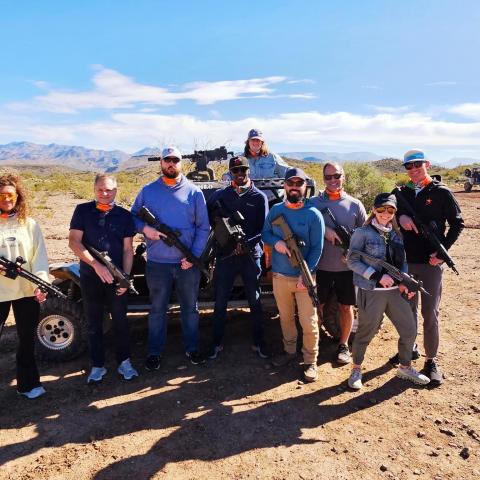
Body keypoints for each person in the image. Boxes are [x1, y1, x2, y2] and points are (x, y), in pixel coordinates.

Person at [131, 146, 210, 370]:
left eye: (175, 160)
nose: (171, 164)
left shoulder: (194, 192)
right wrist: (146, 230)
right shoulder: (148, 191)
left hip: (187, 265)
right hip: (157, 265)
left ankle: (192, 349)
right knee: (157, 310)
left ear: (181, 163)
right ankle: (154, 352)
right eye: (167, 160)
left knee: (190, 309)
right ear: (161, 163)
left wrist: (193, 256)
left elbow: (204, 227)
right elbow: (133, 218)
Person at [392, 149, 464, 385]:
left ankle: (431, 360)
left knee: (430, 314)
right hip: (406, 262)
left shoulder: (442, 192)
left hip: (431, 264)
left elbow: (457, 224)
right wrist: (400, 218)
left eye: (417, 164)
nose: (413, 169)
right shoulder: (400, 193)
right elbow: (385, 211)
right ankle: (409, 350)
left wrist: (442, 254)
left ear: (427, 164)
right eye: (408, 166)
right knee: (407, 312)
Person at [346, 193, 430, 390]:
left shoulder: (396, 234)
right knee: (366, 333)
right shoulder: (363, 232)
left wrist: (405, 283)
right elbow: (352, 260)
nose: (385, 213)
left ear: (394, 212)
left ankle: (405, 367)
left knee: (409, 330)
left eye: (390, 210)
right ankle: (356, 370)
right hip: (372, 291)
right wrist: (376, 276)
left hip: (395, 292)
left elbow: (403, 263)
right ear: (374, 210)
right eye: (381, 209)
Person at [69, 174, 138, 384]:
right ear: (94, 189)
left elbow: (128, 249)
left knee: (121, 322)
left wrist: (125, 278)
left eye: (109, 190)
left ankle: (124, 362)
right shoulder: (82, 211)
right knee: (93, 323)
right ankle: (98, 365)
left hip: (116, 279)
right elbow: (74, 242)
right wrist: (96, 265)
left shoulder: (124, 216)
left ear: (116, 191)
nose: (104, 193)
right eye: (100, 189)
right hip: (91, 277)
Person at [262, 168, 324, 382]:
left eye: (299, 183)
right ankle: (289, 353)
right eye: (291, 183)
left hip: (304, 278)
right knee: (286, 319)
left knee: (309, 321)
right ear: (285, 186)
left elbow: (317, 248)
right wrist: (276, 242)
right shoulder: (276, 210)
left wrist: (306, 275)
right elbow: (265, 232)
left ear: (305, 187)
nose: (294, 187)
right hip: (280, 276)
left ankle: (310, 361)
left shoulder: (313, 214)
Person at [206, 155, 269, 359]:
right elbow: (211, 222)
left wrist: (247, 244)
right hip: (226, 257)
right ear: (231, 173)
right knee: (220, 300)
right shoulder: (220, 196)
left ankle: (259, 343)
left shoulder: (259, 197)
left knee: (255, 300)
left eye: (243, 170)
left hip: (251, 256)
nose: (240, 174)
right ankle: (215, 344)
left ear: (248, 171)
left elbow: (264, 229)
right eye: (236, 171)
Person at [310, 163, 367, 363]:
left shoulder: (355, 205)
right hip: (320, 267)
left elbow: (366, 237)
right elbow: (304, 224)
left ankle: (343, 345)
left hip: (346, 268)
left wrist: (353, 255)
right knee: (317, 307)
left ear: (343, 177)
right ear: (323, 179)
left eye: (337, 176)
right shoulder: (313, 203)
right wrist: (326, 231)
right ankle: (313, 346)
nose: (333, 180)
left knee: (345, 307)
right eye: (328, 177)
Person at [0, 173, 49, 399]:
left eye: (11, 194)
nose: (6, 199)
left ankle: (27, 384)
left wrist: (41, 282)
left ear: (18, 196)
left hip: (26, 290)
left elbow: (39, 257)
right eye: (1, 195)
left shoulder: (29, 224)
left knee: (26, 339)